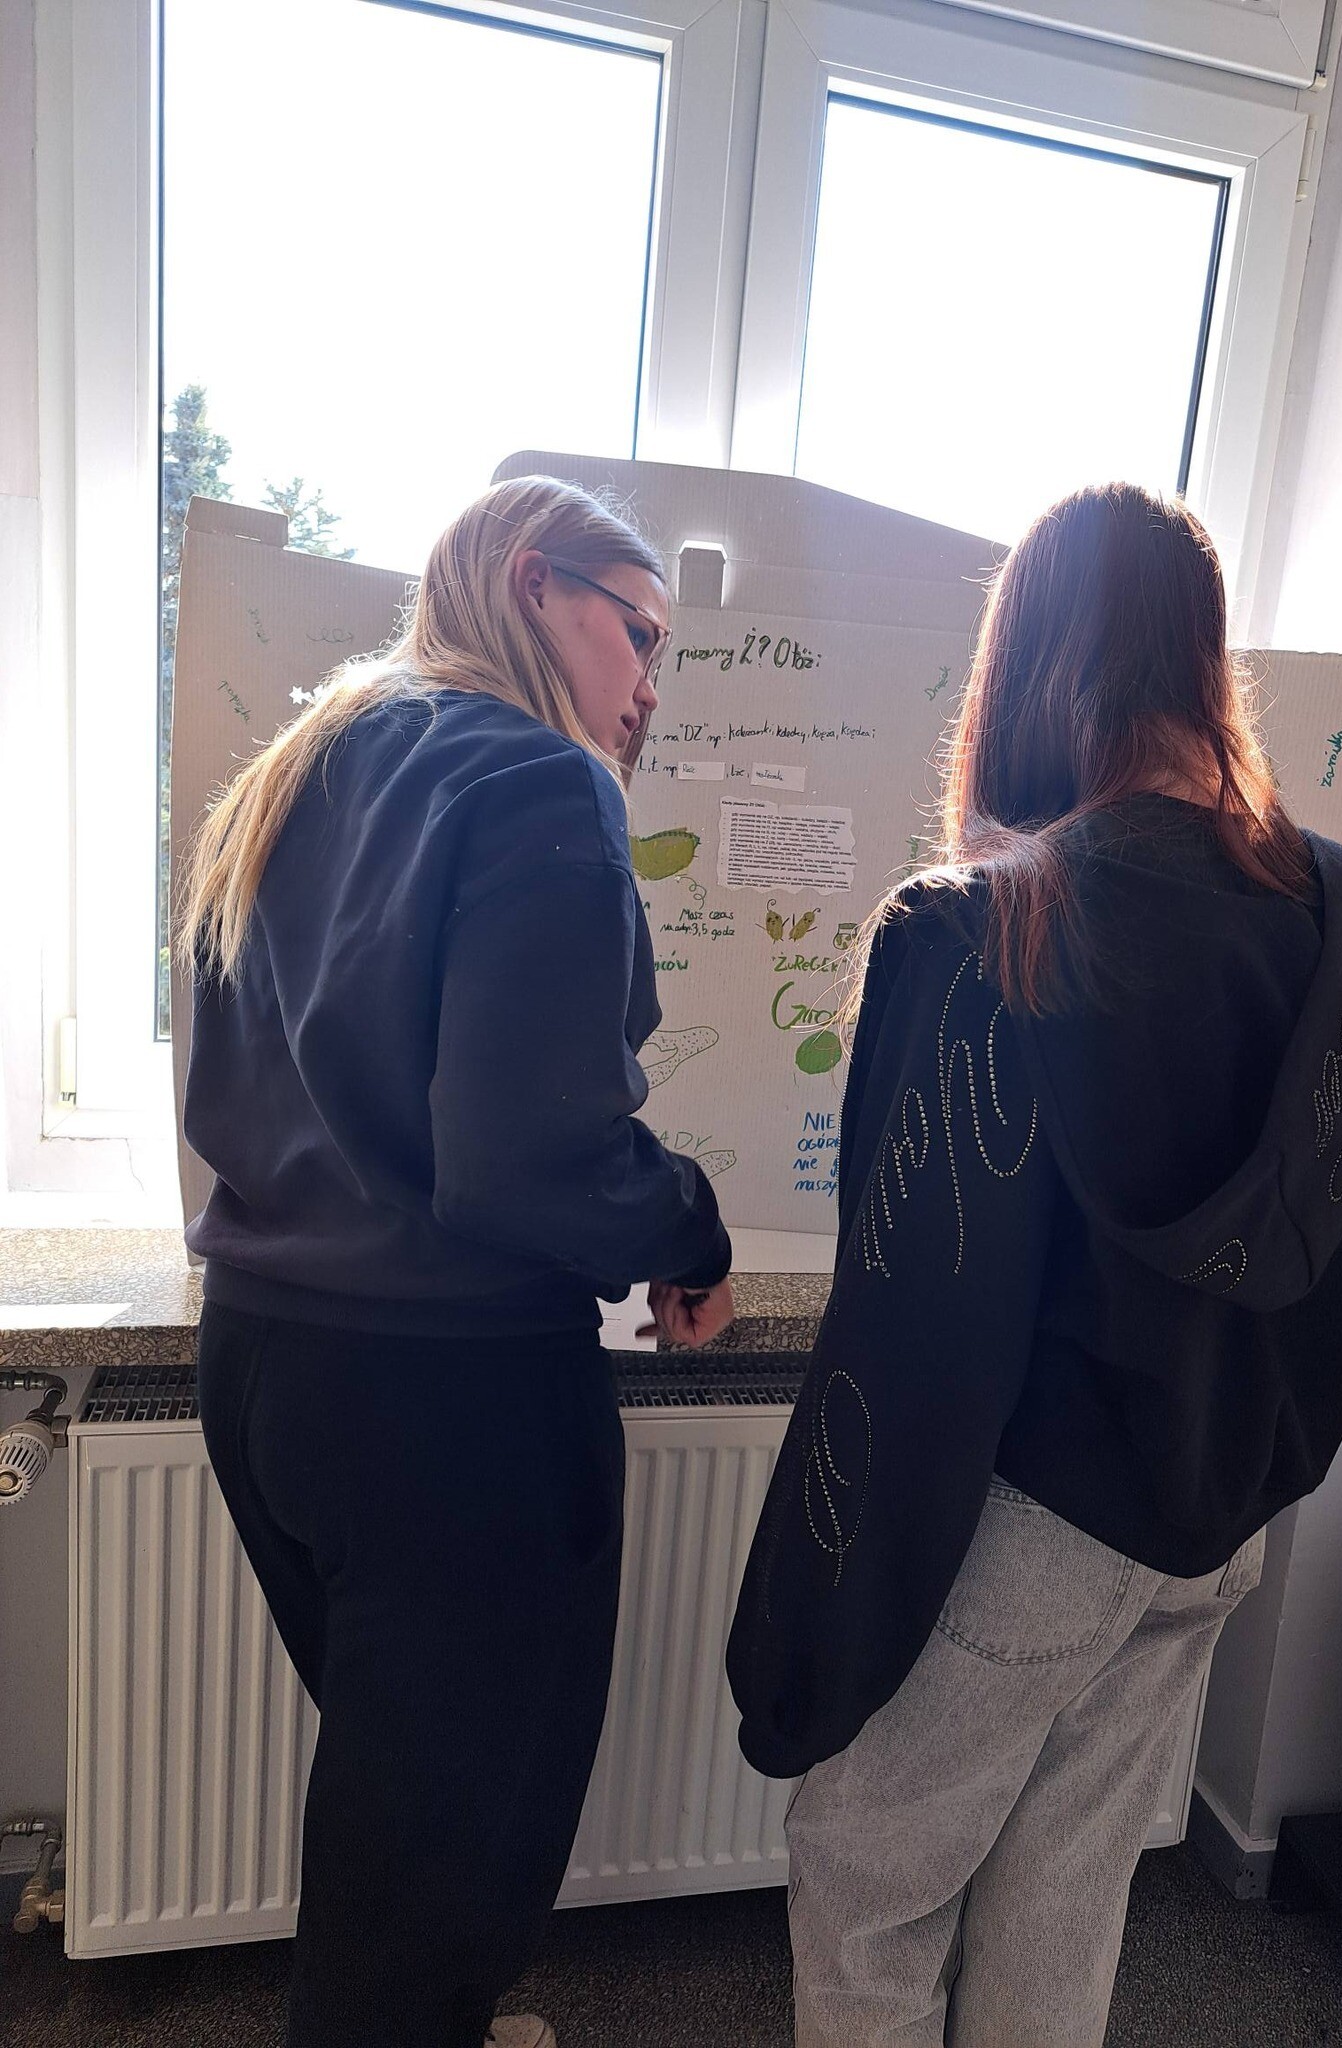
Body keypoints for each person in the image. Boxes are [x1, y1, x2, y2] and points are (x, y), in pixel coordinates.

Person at [726, 482, 1342, 2047]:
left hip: (1030, 1524)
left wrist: (824, 1603)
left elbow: (913, 1324)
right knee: (1064, 1882)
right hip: (1212, 1528)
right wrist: (1257, 1447)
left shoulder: (981, 929)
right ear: (1203, 658)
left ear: (1030, 664)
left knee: (870, 1883)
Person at [180, 477, 735, 2048]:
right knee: (432, 1887)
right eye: (639, 634)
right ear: (530, 583)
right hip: (449, 1409)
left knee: (399, 1821)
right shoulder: (539, 783)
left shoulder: (298, 768)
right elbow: (530, 1158)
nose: (649, 685)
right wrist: (690, 1224)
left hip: (266, 1366)